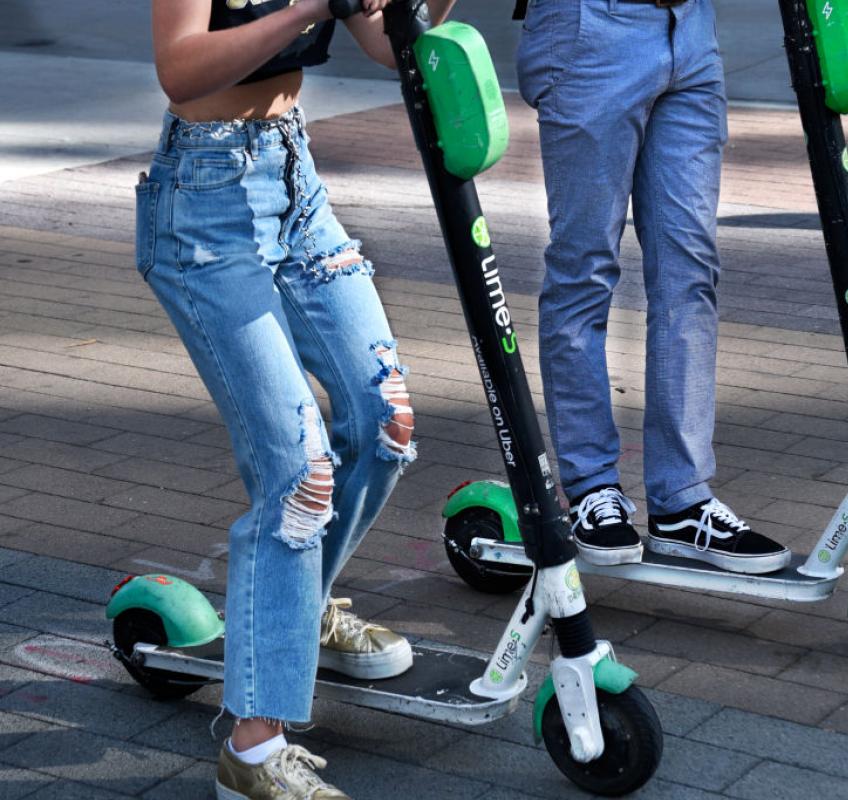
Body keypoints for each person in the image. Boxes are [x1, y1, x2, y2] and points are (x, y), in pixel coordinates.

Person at [142, 1, 453, 796]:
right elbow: (180, 68)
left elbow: (389, 41)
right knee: (301, 475)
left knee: (384, 421)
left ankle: (296, 612)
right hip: (205, 206)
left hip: (293, 176)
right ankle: (251, 752)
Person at [515, 0, 790, 574]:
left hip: (690, 30)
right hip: (592, 30)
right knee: (584, 270)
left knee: (690, 272)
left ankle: (682, 500)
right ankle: (591, 488)